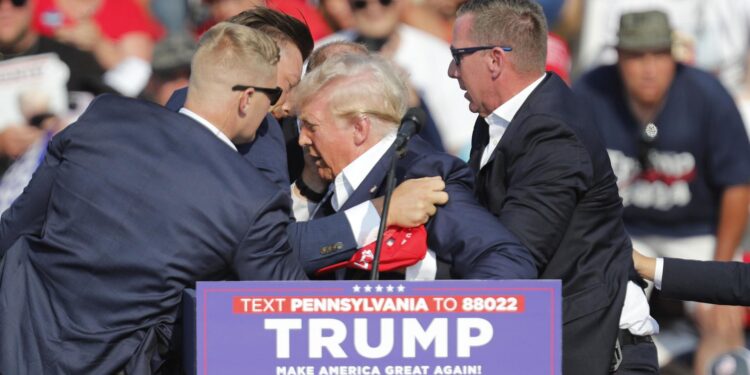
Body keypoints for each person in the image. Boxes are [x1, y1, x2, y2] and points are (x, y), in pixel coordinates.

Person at [0, 22, 307, 374]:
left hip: (18, 342)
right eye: (274, 96)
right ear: (247, 98)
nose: (275, 109)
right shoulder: (250, 198)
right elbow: (297, 310)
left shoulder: (104, 116)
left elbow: (14, 227)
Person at [448, 1, 658, 373]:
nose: (452, 71)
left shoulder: (552, 134)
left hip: (598, 356)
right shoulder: (499, 118)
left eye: (458, 56)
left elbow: (511, 257)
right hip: (553, 343)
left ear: (495, 60)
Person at [573, 10, 750, 371]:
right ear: (618, 57)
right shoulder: (589, 92)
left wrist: (720, 264)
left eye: (658, 55)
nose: (648, 67)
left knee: (721, 317)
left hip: (695, 231)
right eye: (637, 56)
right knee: (592, 312)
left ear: (674, 55)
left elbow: (738, 185)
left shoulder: (706, 94)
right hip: (621, 230)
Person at [294, 52, 537, 281]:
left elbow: (506, 261)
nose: (302, 139)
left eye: (311, 126)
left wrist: (436, 319)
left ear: (359, 129)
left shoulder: (423, 177)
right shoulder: (329, 175)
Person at [318, 0, 474, 156]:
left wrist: (415, 103)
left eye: (385, 1)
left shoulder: (439, 56)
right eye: (361, 3)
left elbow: (460, 148)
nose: (373, 9)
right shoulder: (322, 55)